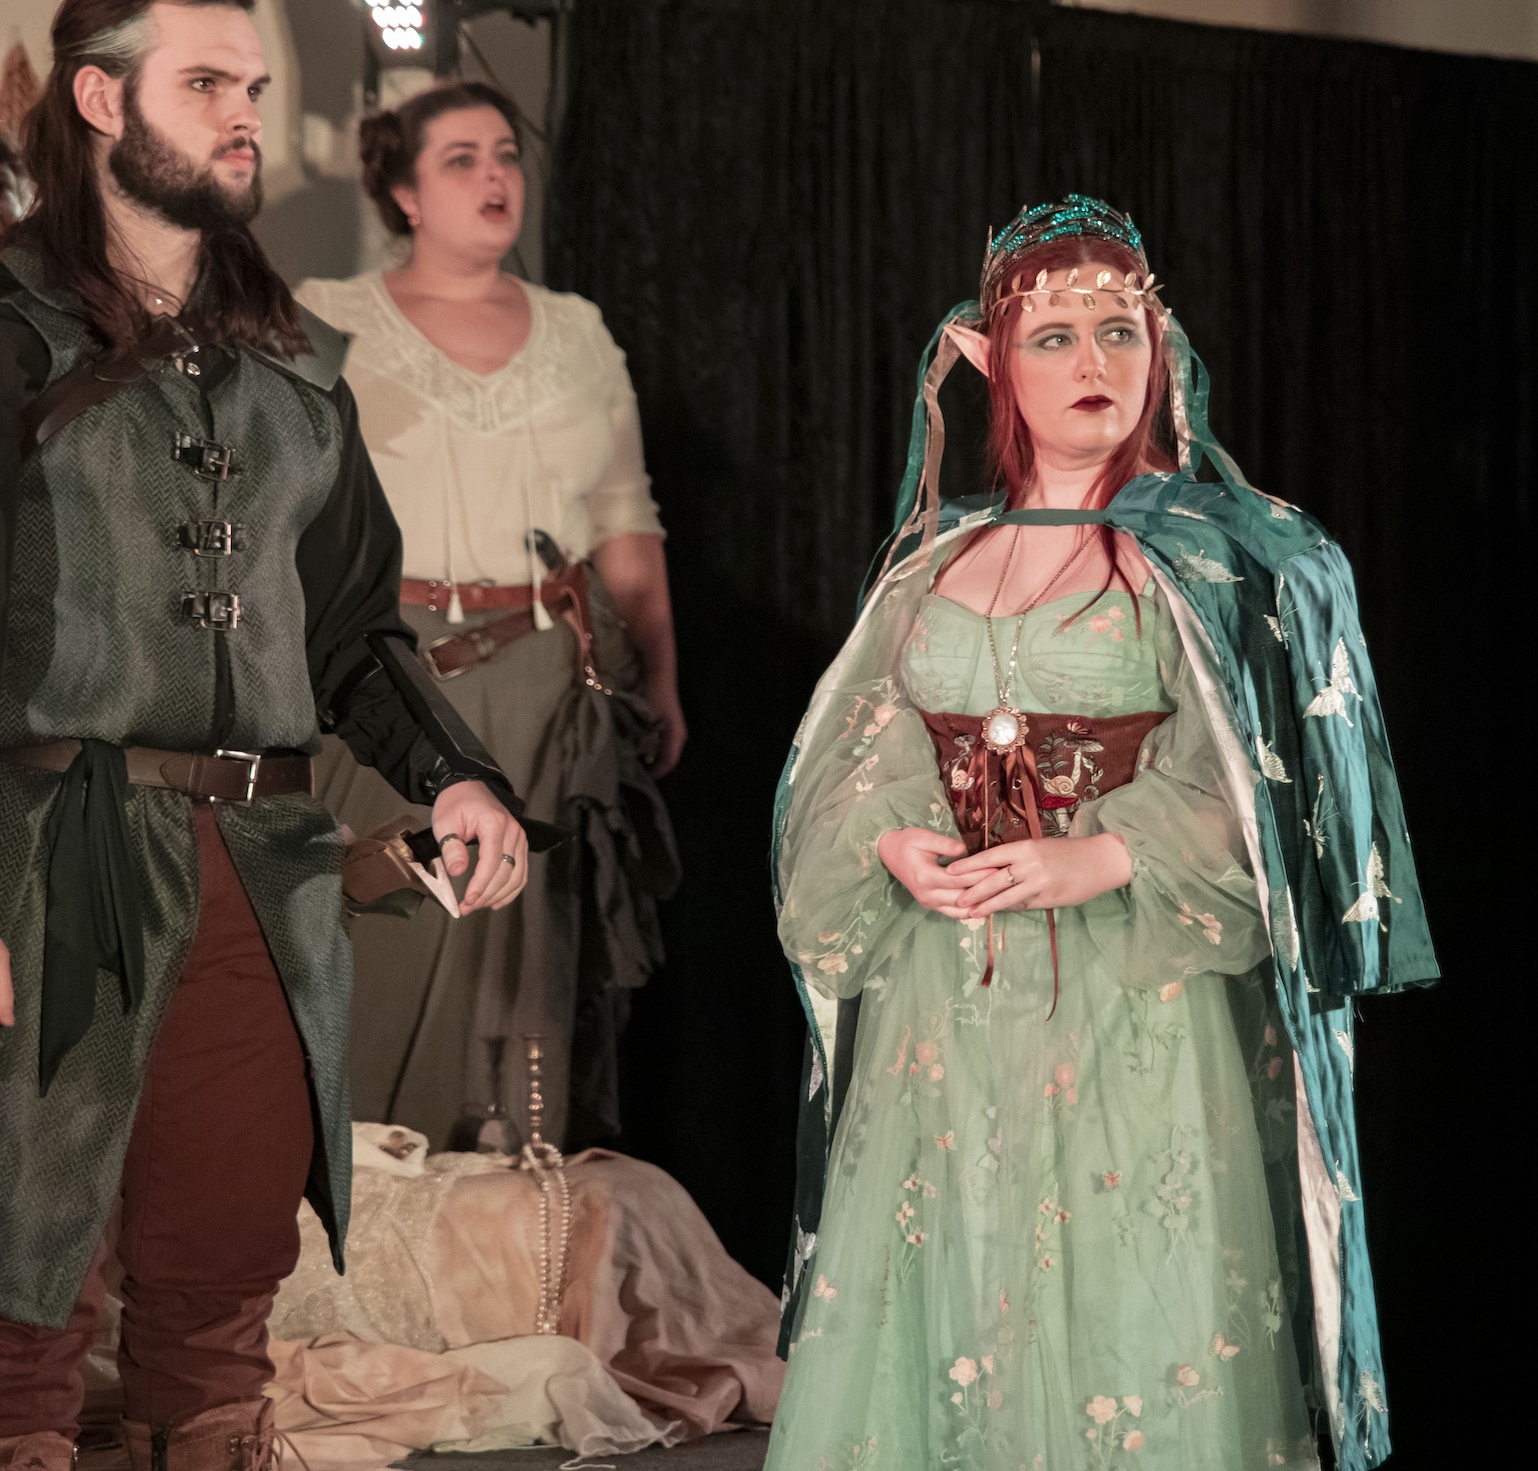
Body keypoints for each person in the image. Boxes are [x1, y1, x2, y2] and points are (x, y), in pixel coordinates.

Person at [763, 198, 1440, 1469]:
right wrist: (894, 841)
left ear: (1159, 349)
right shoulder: (935, 556)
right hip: (946, 1006)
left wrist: (1108, 852)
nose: (1093, 364)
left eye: (1118, 332)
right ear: (989, 360)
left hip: (1135, 998)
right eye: (1055, 336)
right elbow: (864, 749)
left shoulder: (1220, 558)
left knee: (1124, 1305)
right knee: (957, 1289)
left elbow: (1270, 787)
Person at [0, 0, 541, 1467]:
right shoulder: (12, 332)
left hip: (260, 861)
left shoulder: (291, 363)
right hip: (51, 852)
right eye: (206, 86)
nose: (245, 118)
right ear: (99, 99)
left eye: (253, 90)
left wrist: (461, 777)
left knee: (222, 1262)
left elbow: (354, 627)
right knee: (25, 1272)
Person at [296, 82, 682, 1153]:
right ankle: (367, 1223)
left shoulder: (576, 330)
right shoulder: (324, 316)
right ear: (404, 192)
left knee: (529, 966)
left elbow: (624, 518)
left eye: (506, 153)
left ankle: (511, 1219)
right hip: (388, 679)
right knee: (385, 943)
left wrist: (661, 678)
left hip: (547, 679)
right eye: (460, 158)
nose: (494, 175)